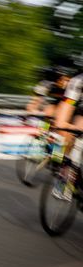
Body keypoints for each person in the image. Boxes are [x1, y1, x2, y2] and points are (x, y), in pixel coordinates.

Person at [52, 71, 83, 200]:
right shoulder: (78, 81)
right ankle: (67, 173)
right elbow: (66, 106)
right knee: (73, 132)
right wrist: (61, 125)